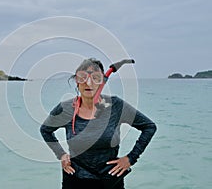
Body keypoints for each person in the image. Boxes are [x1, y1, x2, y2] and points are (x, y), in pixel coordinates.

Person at [40, 58, 157, 189]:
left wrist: (131, 158)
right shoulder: (66, 109)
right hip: (75, 179)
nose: (88, 82)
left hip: (110, 180)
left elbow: (149, 127)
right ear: (76, 81)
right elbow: (45, 130)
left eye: (95, 78)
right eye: (82, 77)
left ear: (102, 82)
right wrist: (61, 154)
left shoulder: (115, 106)